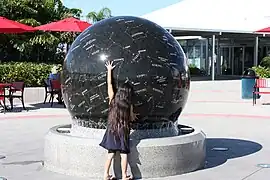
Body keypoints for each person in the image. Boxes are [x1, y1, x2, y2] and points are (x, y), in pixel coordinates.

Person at [99, 61, 138, 180]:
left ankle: (106, 174)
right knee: (124, 154)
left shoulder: (112, 100)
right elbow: (132, 118)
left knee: (110, 154)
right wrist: (133, 115)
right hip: (123, 130)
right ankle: (125, 175)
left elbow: (109, 84)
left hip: (112, 130)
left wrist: (109, 70)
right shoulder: (129, 105)